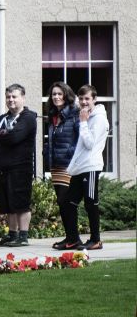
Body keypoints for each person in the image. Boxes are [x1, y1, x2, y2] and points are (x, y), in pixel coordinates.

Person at [0, 83, 38, 248]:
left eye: (14, 96)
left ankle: (23, 236)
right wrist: (4, 133)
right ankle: (12, 234)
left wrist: (0, 135)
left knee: (20, 203)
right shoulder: (2, 119)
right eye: (8, 97)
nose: (10, 100)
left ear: (23, 98)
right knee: (8, 205)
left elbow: (15, 137)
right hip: (3, 168)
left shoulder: (28, 118)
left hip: (20, 167)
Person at [62, 84, 108, 251]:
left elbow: (89, 144)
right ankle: (73, 239)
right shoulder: (86, 114)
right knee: (69, 202)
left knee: (90, 203)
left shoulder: (99, 119)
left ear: (94, 99)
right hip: (80, 167)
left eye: (87, 98)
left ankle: (96, 240)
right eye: (81, 98)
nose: (83, 102)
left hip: (91, 167)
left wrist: (83, 123)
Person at [45, 82, 82, 250]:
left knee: (65, 201)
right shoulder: (54, 115)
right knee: (61, 202)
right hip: (56, 165)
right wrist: (47, 152)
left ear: (66, 95)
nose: (56, 97)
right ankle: (70, 237)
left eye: (60, 94)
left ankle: (74, 238)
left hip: (68, 164)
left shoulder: (74, 114)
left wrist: (70, 153)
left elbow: (81, 138)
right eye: (54, 94)